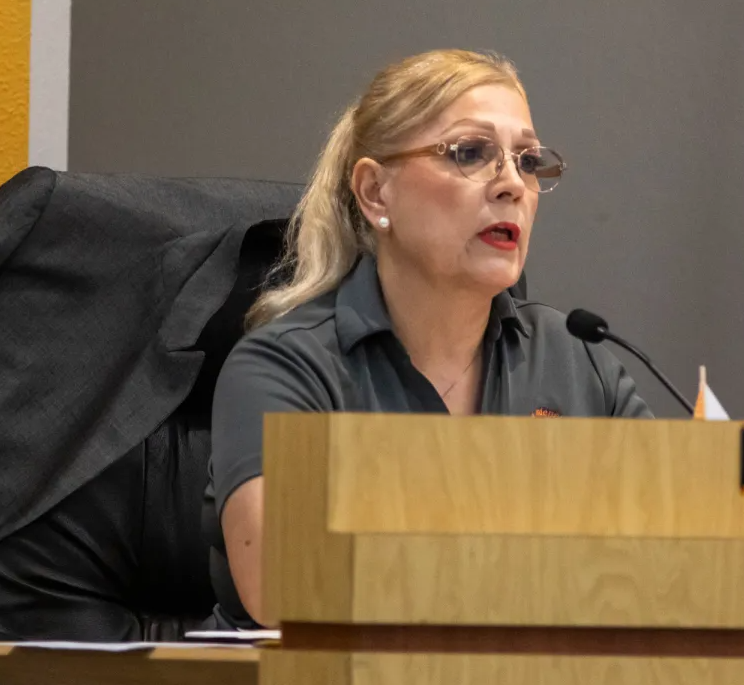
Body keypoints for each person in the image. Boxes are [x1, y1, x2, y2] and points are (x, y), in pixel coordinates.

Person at [206, 49, 653, 629]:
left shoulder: (577, 360)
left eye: (527, 160)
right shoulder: (285, 369)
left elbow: (670, 560)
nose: (513, 184)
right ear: (374, 193)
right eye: (471, 153)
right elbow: (286, 586)